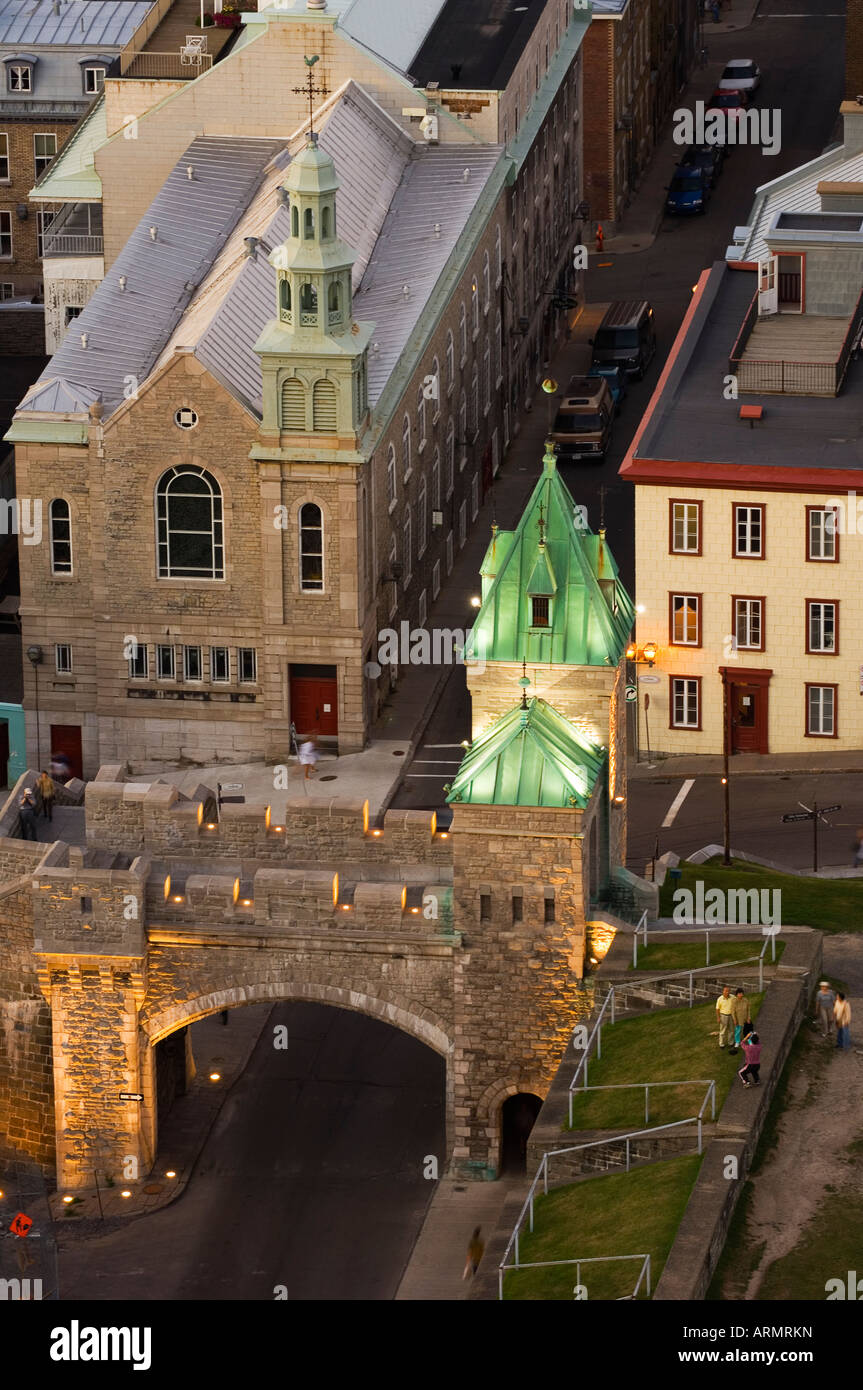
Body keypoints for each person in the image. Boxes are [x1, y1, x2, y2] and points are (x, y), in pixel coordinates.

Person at [730, 988, 750, 1052]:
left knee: (746, 1030)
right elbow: (732, 1011)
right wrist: (734, 1020)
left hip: (745, 1018)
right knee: (738, 1031)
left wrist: (748, 1017)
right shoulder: (734, 1001)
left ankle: (747, 1040)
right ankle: (737, 1042)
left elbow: (748, 1010)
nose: (740, 995)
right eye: (739, 994)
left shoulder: (746, 1000)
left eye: (741, 993)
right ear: (736, 994)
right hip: (738, 1019)